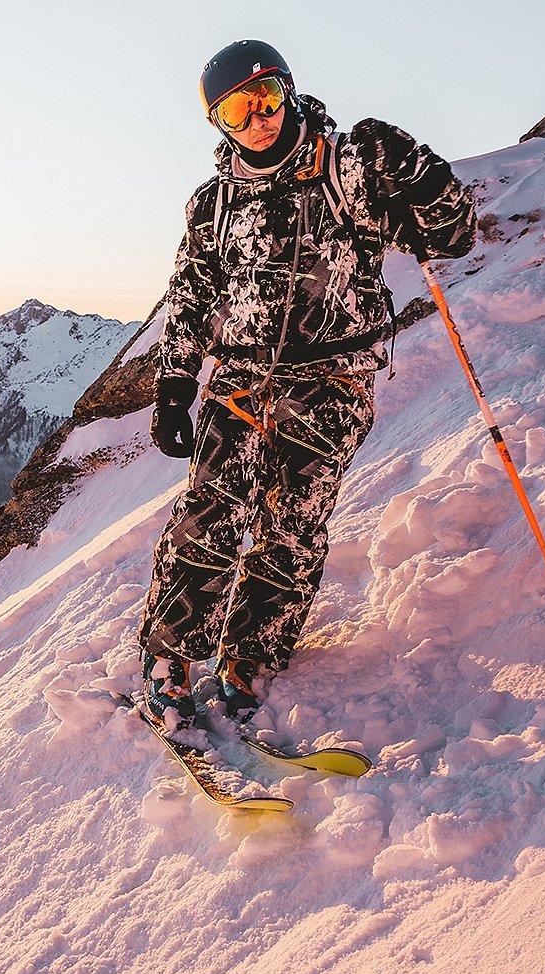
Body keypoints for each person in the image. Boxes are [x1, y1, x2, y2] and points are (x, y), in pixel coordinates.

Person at [139, 40, 476, 734]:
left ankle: (249, 653)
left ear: (289, 92)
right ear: (218, 123)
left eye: (266, 98)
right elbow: (192, 296)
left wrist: (419, 173)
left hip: (331, 380)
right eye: (237, 110)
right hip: (240, 378)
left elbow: (451, 237)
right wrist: (174, 385)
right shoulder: (214, 205)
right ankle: (171, 655)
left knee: (292, 522)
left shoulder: (348, 169)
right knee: (211, 511)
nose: (258, 119)